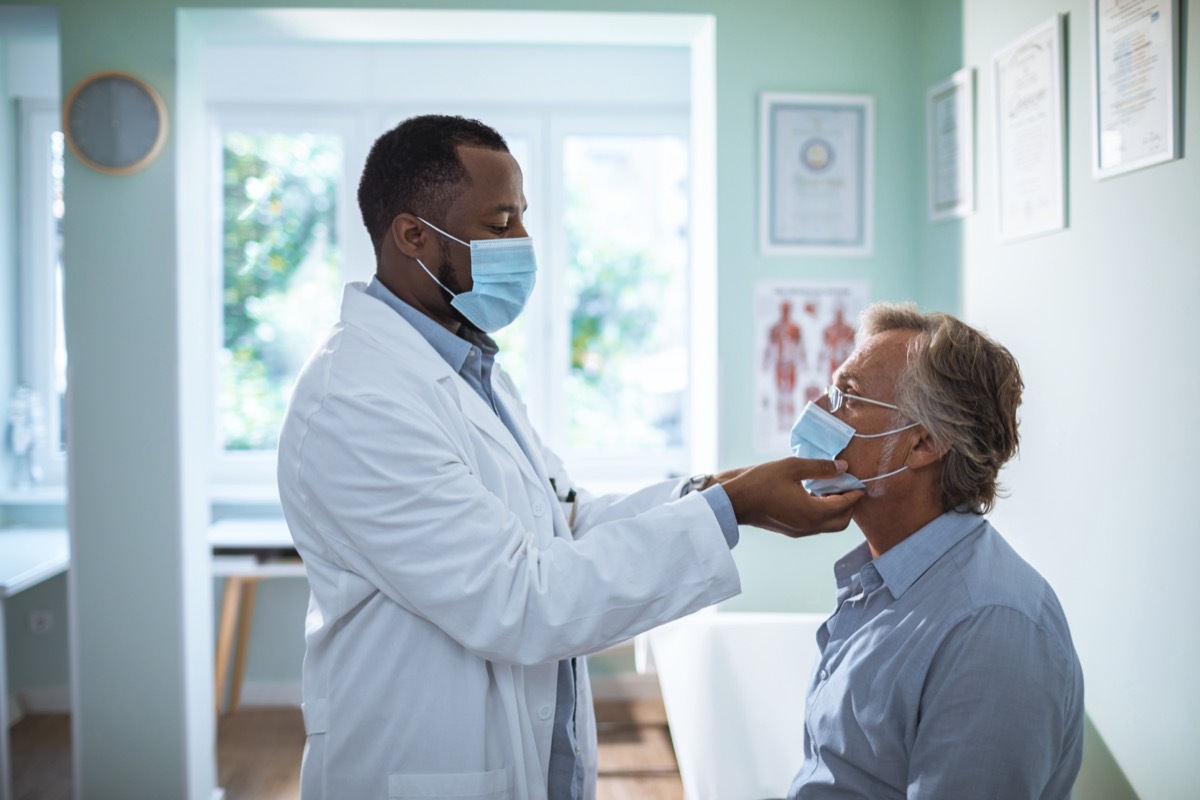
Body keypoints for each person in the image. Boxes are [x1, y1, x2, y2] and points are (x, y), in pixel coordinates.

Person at [276, 114, 863, 800]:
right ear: (412, 235)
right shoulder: (358, 401)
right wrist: (736, 506)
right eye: (500, 225)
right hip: (419, 767)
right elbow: (520, 599)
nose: (524, 244)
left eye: (523, 219)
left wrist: (722, 488)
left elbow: (564, 523)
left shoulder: (466, 368)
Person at [786, 302, 1084, 798]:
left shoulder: (991, 627)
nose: (818, 408)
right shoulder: (881, 583)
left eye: (848, 396)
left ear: (924, 443)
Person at [763, 300, 806, 431]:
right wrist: (766, 362)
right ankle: (781, 422)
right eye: (783, 309)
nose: (785, 312)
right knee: (781, 394)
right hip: (780, 364)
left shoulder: (795, 328)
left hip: (790, 364)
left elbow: (800, 347)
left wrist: (803, 363)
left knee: (790, 394)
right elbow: (769, 347)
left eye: (787, 309)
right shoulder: (775, 328)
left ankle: (790, 422)